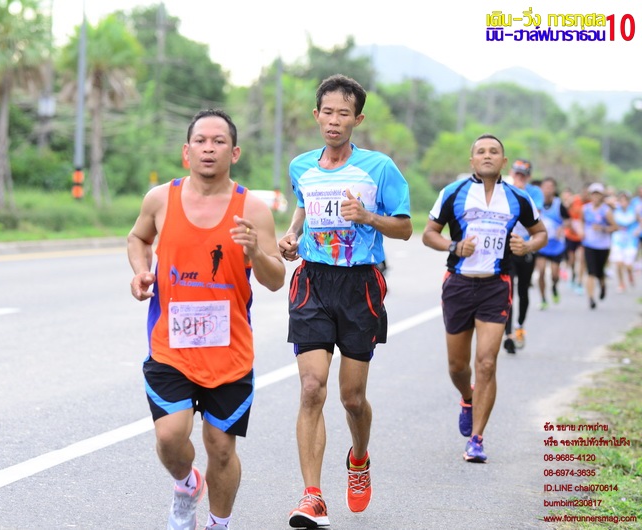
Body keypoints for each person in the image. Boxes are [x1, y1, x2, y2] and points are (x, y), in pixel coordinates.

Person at [127, 109, 285, 530]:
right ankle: (186, 485)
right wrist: (140, 271)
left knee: (220, 447)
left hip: (229, 351)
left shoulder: (253, 209)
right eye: (201, 141)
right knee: (169, 436)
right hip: (171, 346)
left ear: (234, 152)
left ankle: (219, 523)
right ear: (186, 151)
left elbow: (275, 279)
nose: (209, 148)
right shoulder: (160, 199)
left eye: (219, 141)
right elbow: (138, 238)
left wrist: (255, 252)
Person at [278, 74, 412, 528]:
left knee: (352, 399)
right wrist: (292, 234)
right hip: (313, 282)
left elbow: (404, 227)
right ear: (316, 115)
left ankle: (358, 458)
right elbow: (303, 204)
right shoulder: (301, 166)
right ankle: (312, 496)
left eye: (344, 114)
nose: (334, 121)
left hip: (360, 287)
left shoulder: (379, 168)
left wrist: (368, 216)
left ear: (358, 119)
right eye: (328, 112)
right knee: (311, 387)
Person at [422, 134, 546, 463]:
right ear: (472, 160)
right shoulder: (453, 193)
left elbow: (541, 233)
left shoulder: (518, 198)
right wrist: (454, 246)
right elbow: (429, 234)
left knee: (487, 363)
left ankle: (476, 439)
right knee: (457, 366)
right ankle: (467, 396)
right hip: (459, 284)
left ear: (504, 161)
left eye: (494, 151)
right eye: (481, 151)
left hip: (496, 285)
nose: (487, 155)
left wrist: (528, 246)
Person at [501, 159, 541, 353]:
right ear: (511, 172)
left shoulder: (534, 192)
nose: (519, 177)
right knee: (507, 289)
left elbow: (535, 216)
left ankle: (520, 326)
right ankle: (508, 334)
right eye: (517, 173)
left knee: (523, 291)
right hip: (507, 247)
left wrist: (521, 192)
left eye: (523, 175)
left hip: (525, 247)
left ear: (529, 176)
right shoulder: (503, 189)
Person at [534, 177, 570, 309]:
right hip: (541, 244)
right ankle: (543, 299)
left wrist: (562, 227)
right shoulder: (536, 203)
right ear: (541, 189)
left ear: (554, 189)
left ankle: (554, 286)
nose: (548, 190)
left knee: (555, 274)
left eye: (551, 187)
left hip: (556, 245)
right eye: (545, 187)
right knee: (541, 271)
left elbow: (568, 220)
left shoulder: (559, 204)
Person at [581, 183, 618, 309]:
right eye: (593, 194)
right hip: (589, 244)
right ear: (590, 195)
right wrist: (582, 231)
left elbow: (615, 227)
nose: (595, 197)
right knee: (591, 272)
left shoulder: (606, 210)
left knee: (599, 271)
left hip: (603, 245)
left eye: (598, 194)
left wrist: (603, 228)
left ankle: (602, 285)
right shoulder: (585, 209)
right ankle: (591, 298)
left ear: (602, 196)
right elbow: (581, 221)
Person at [610, 191, 639, 293]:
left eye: (624, 200)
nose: (623, 202)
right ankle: (621, 283)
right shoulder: (615, 211)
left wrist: (637, 231)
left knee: (628, 264)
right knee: (619, 263)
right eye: (621, 200)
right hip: (618, 240)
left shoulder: (634, 211)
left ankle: (630, 273)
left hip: (630, 241)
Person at [562, 185, 586, 295]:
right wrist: (569, 200)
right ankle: (573, 275)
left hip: (583, 236)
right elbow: (564, 208)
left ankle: (580, 282)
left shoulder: (590, 203)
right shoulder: (575, 200)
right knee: (572, 259)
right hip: (571, 234)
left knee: (581, 258)